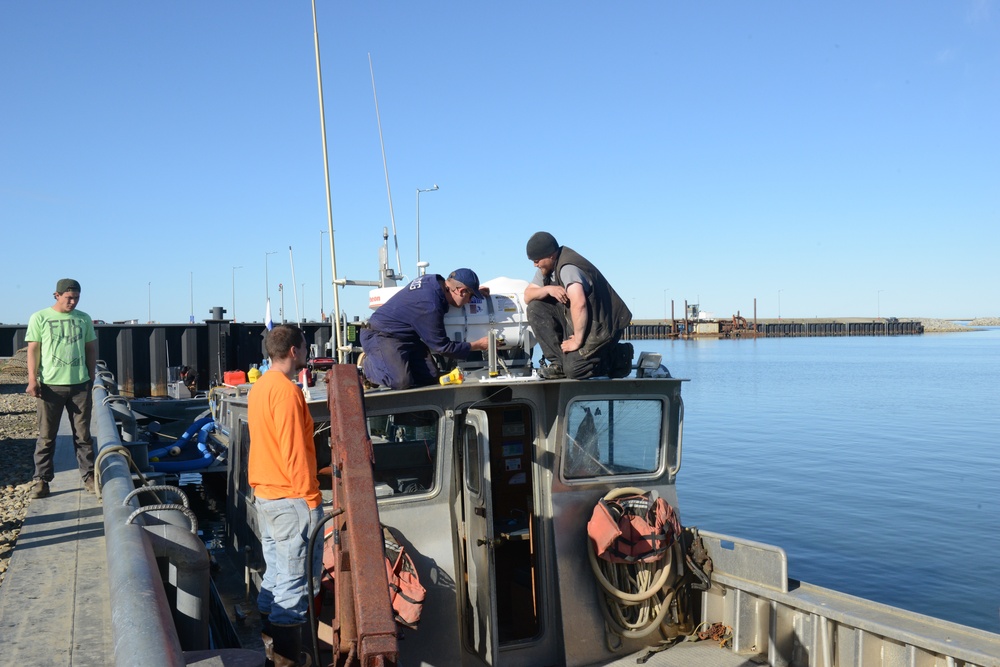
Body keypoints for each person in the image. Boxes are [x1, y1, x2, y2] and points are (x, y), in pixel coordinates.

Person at [248, 324, 322, 666]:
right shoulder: (288, 392)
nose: (306, 353)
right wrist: (311, 500)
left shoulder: (259, 387)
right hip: (291, 498)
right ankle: (285, 660)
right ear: (294, 350)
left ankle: (267, 648)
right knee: (294, 586)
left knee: (276, 575)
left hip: (265, 494)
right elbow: (293, 451)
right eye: (305, 347)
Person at [523, 232, 633, 379]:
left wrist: (577, 341)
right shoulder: (546, 270)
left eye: (537, 260)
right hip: (580, 320)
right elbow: (527, 295)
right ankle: (559, 365)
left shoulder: (568, 267)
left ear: (550, 255)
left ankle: (619, 355)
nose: (535, 264)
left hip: (602, 326)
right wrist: (548, 289)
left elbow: (579, 303)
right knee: (535, 307)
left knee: (575, 370)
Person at [25, 278, 98, 498]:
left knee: (83, 435)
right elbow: (33, 350)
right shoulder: (40, 317)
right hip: (50, 386)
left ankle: (89, 477)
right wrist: (32, 379)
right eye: (69, 297)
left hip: (80, 386)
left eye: (76, 297)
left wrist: (91, 376)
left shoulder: (84, 319)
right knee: (47, 436)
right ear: (56, 295)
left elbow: (90, 348)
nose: (73, 302)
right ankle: (42, 481)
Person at [360, 268, 491, 390]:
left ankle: (395, 364)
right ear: (461, 291)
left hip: (407, 337)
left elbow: (454, 291)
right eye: (471, 296)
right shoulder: (430, 306)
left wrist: (474, 290)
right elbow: (443, 348)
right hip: (381, 335)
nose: (470, 301)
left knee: (431, 377)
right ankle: (368, 366)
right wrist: (478, 345)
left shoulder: (433, 280)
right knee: (401, 381)